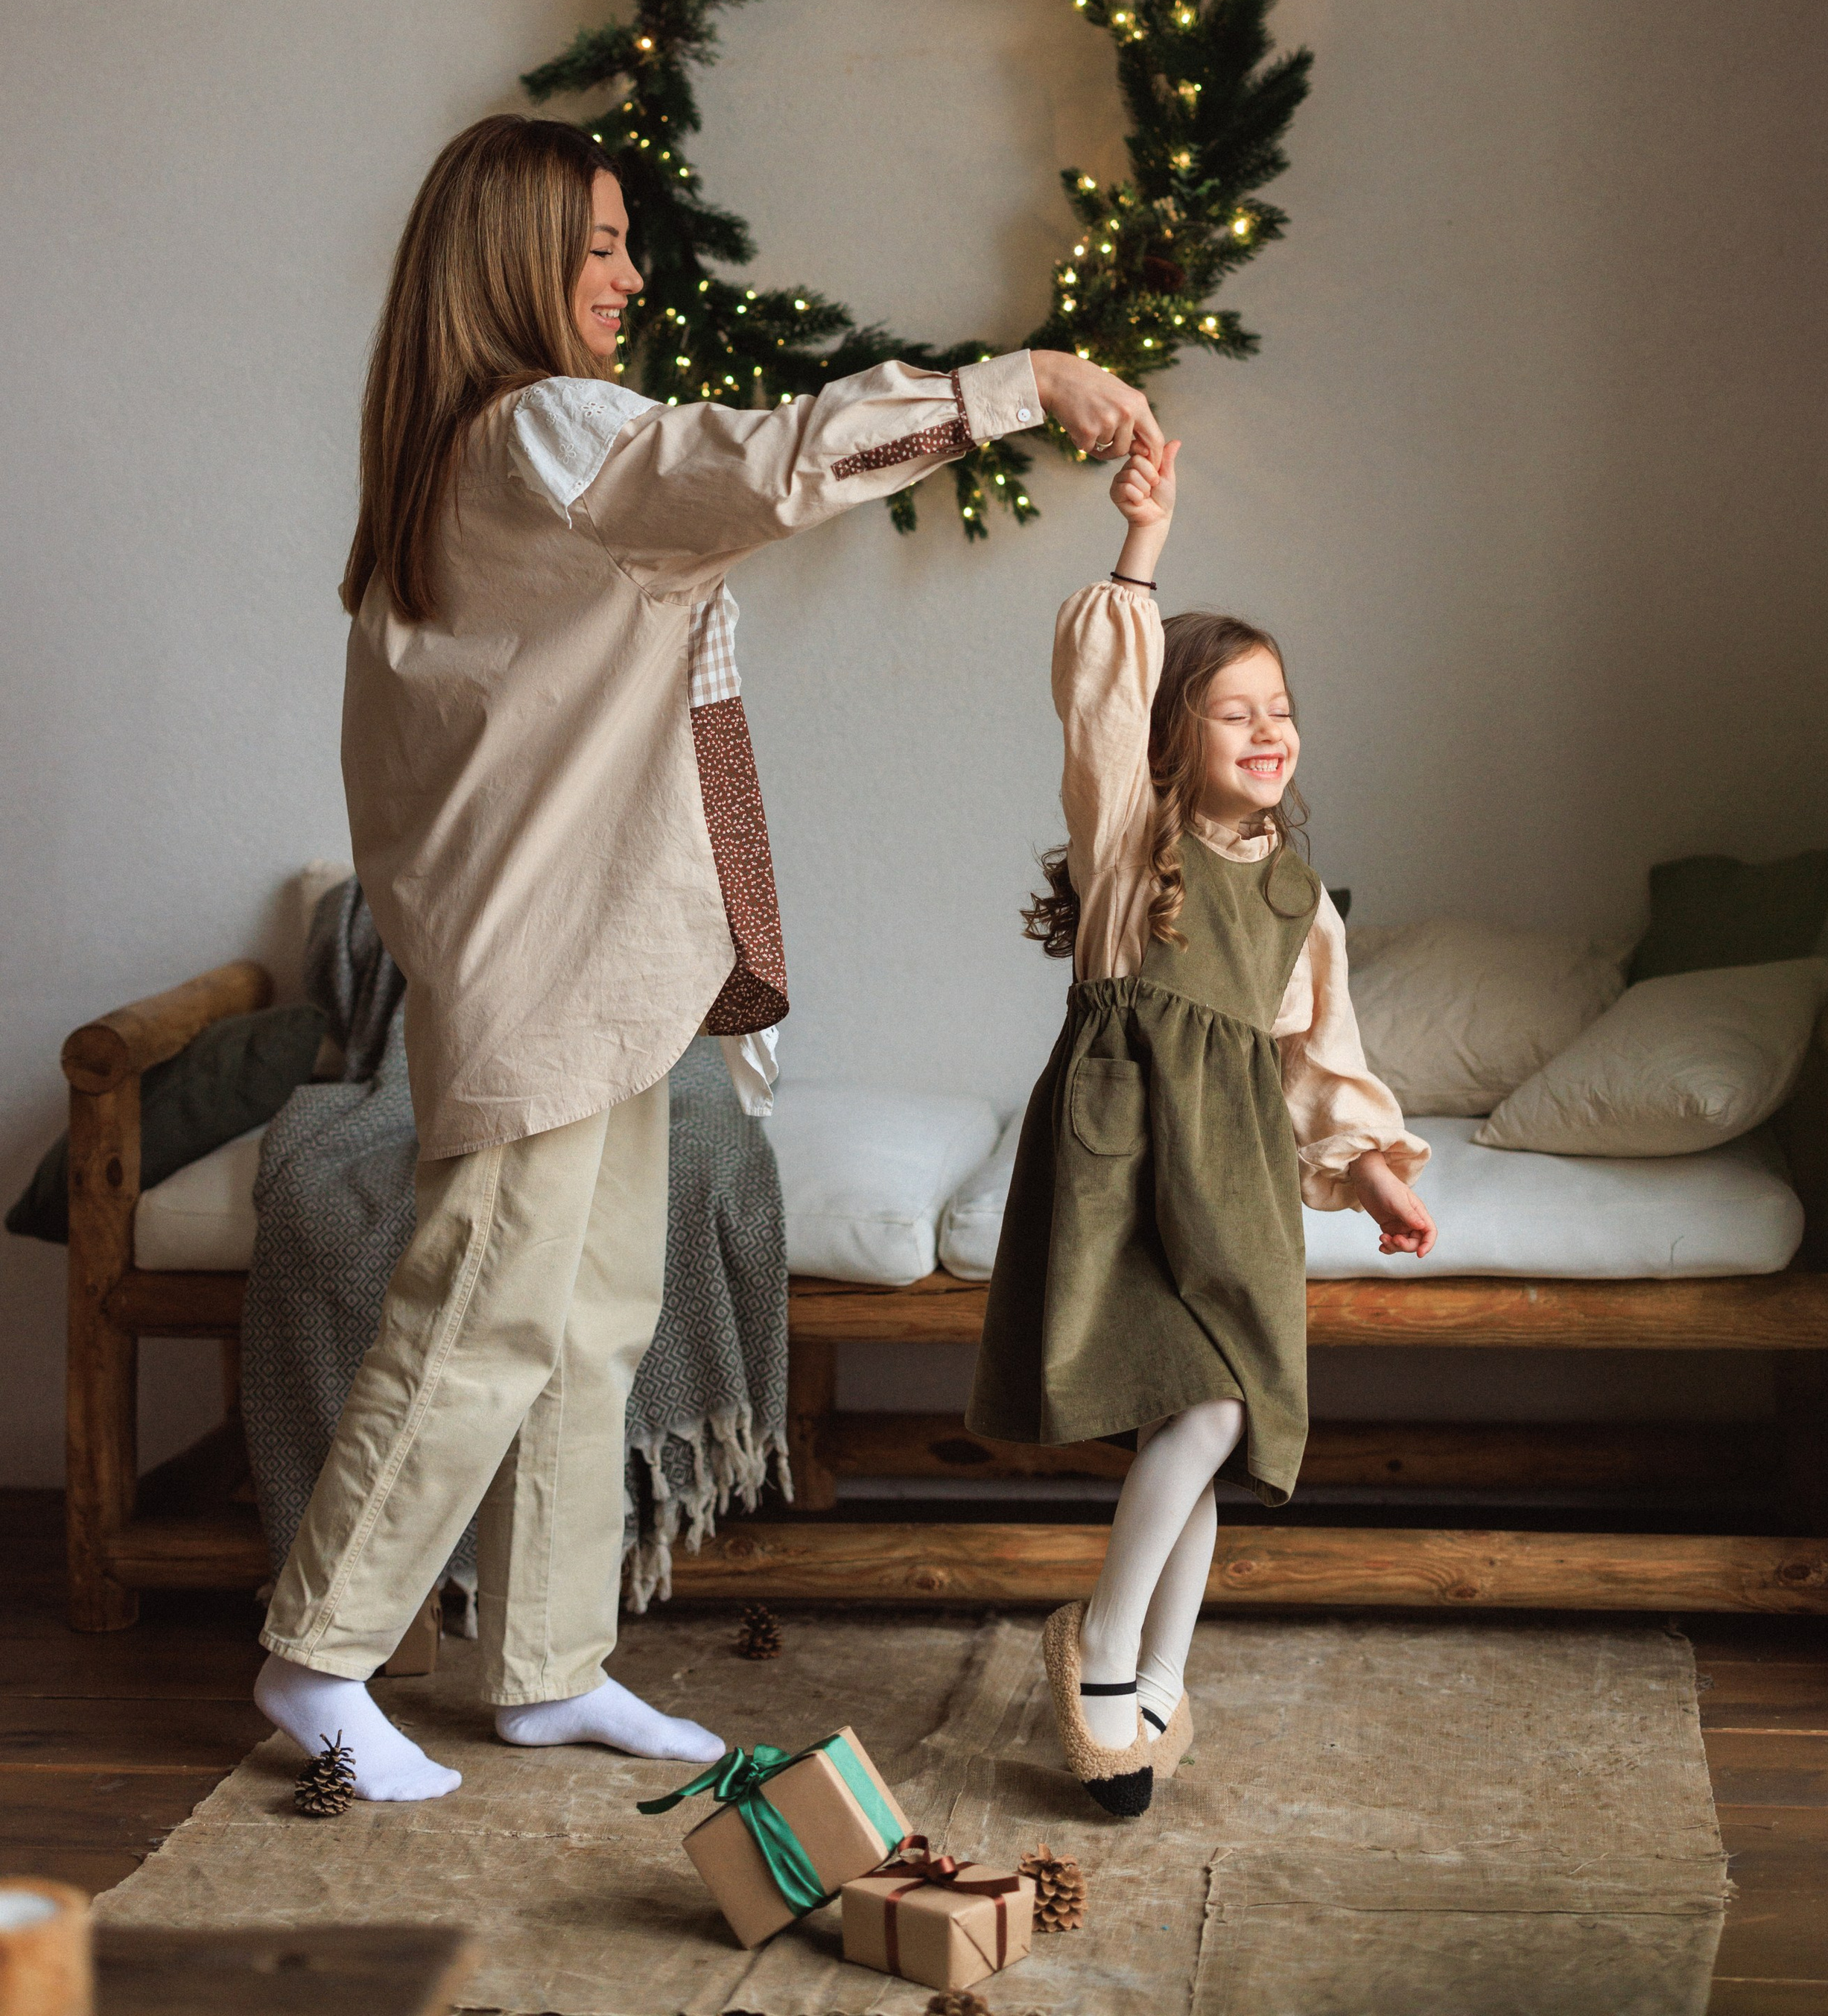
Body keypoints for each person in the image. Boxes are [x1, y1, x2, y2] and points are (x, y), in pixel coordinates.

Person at [253, 111, 1161, 1801]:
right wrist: (1010, 381)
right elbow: (753, 463)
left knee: (591, 1311)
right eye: (595, 245)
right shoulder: (545, 433)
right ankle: (318, 1658)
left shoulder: (494, 448)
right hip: (543, 950)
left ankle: (540, 1664)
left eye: (622, 244)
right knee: (483, 1307)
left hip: (597, 949)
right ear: (513, 262)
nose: (626, 273)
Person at [968, 434, 1435, 1816]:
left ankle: (1160, 1667)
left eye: (1279, 707)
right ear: (1173, 734)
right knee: (1211, 1400)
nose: (1269, 730)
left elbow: (1319, 1061)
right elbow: (1098, 707)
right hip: (1125, 1167)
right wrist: (1142, 549)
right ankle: (1103, 1641)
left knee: (1212, 1421)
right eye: (1233, 711)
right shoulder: (1132, 851)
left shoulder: (1300, 895)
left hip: (1233, 1177)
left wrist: (1377, 1171)